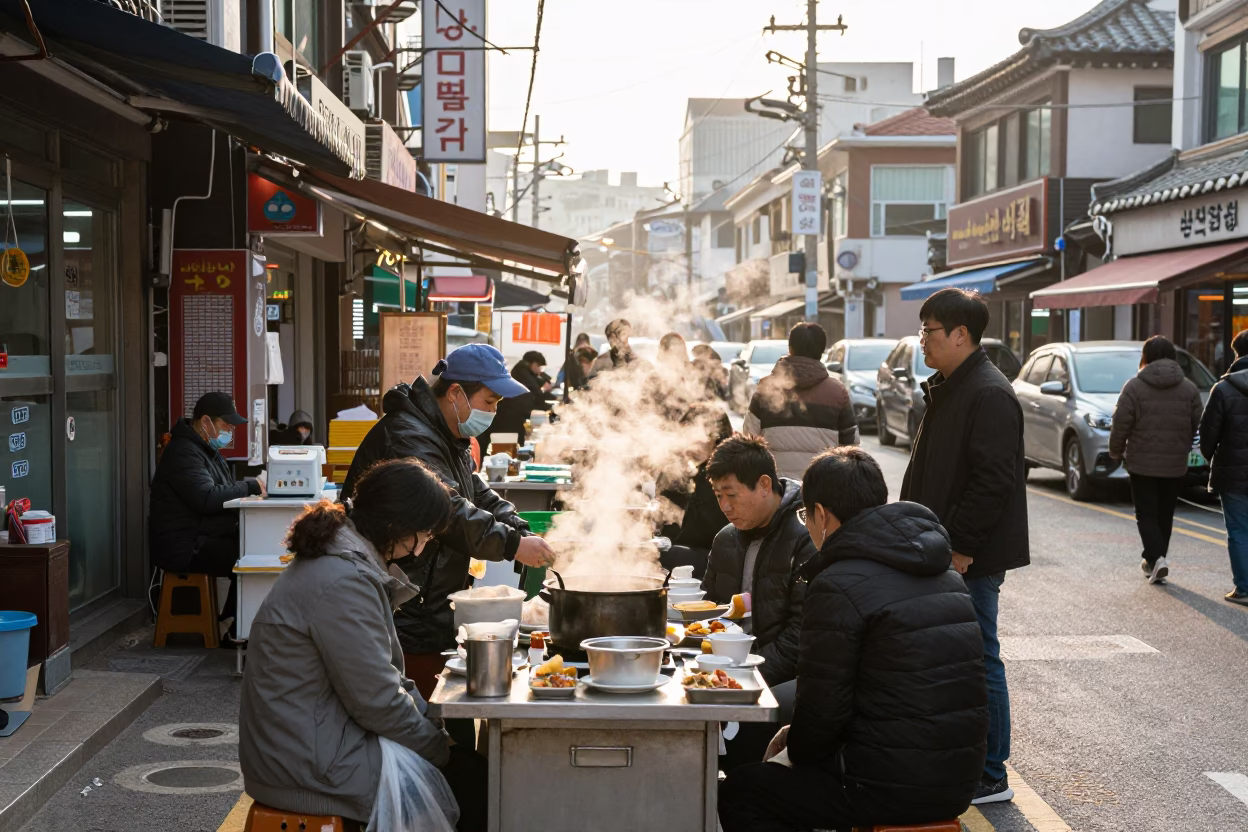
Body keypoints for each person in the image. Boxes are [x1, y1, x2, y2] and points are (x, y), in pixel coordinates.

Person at [718, 447, 988, 832]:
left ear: (822, 516)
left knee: (743, 791)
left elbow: (823, 710)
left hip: (885, 786)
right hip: (958, 781)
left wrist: (795, 748)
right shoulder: (944, 572)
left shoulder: (836, 584)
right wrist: (798, 737)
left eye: (805, 515)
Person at [240, 457, 486, 832]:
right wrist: (441, 750)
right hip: (309, 768)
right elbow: (378, 702)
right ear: (395, 527)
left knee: (470, 770)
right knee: (476, 788)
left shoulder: (343, 562)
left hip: (310, 745)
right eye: (421, 537)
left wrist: (435, 727)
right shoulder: (344, 582)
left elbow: (388, 683)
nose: (419, 550)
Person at [341, 344, 555, 701]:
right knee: (411, 700)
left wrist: (520, 528)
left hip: (429, 596)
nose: (492, 412)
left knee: (439, 703)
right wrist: (515, 546)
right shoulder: (410, 436)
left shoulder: (446, 433)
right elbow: (449, 510)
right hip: (403, 598)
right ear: (456, 393)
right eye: (489, 401)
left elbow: (476, 492)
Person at [899, 287, 1028, 805]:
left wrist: (961, 550)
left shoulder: (989, 392)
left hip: (966, 557)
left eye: (929, 332)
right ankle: (964, 759)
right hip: (940, 547)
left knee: (979, 657)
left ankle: (991, 773)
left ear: (961, 335)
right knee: (957, 658)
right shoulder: (953, 385)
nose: (922, 342)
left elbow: (994, 481)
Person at [701, 434, 814, 687]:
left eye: (731, 495)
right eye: (719, 496)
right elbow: (713, 613)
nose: (725, 507)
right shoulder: (725, 539)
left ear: (764, 485)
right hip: (729, 670)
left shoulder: (806, 537)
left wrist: (744, 676)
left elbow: (801, 634)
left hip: (781, 679)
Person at [149, 391, 265, 633]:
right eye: (227, 424)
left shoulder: (205, 450)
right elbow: (207, 497)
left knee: (255, 546)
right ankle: (236, 626)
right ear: (205, 422)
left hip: (202, 536)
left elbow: (224, 490)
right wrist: (251, 486)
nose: (231, 431)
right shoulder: (183, 452)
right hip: (185, 545)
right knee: (249, 555)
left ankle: (234, 620)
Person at [1110, 335, 1203, 585]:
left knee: (1146, 514)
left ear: (1146, 357)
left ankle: (1157, 558)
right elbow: (1198, 424)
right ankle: (1153, 559)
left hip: (1141, 463)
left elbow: (1121, 424)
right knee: (1165, 513)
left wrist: (1116, 451)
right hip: (1175, 463)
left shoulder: (1134, 387)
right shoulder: (1189, 388)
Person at [742, 322, 858, 480]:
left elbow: (749, 441)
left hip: (776, 489)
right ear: (822, 351)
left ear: (790, 348)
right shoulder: (838, 393)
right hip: (824, 488)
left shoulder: (766, 388)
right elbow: (851, 450)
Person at [1201, 329, 1248, 607]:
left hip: (1232, 473)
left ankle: (1243, 589)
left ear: (1236, 353)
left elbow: (1208, 435)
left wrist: (1211, 457)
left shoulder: (1223, 389)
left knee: (1239, 530)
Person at [657, 405, 732, 578]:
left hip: (714, 557)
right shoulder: (679, 468)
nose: (688, 444)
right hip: (688, 551)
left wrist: (677, 514)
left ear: (715, 437)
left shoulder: (722, 473)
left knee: (668, 555)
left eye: (694, 436)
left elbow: (713, 530)